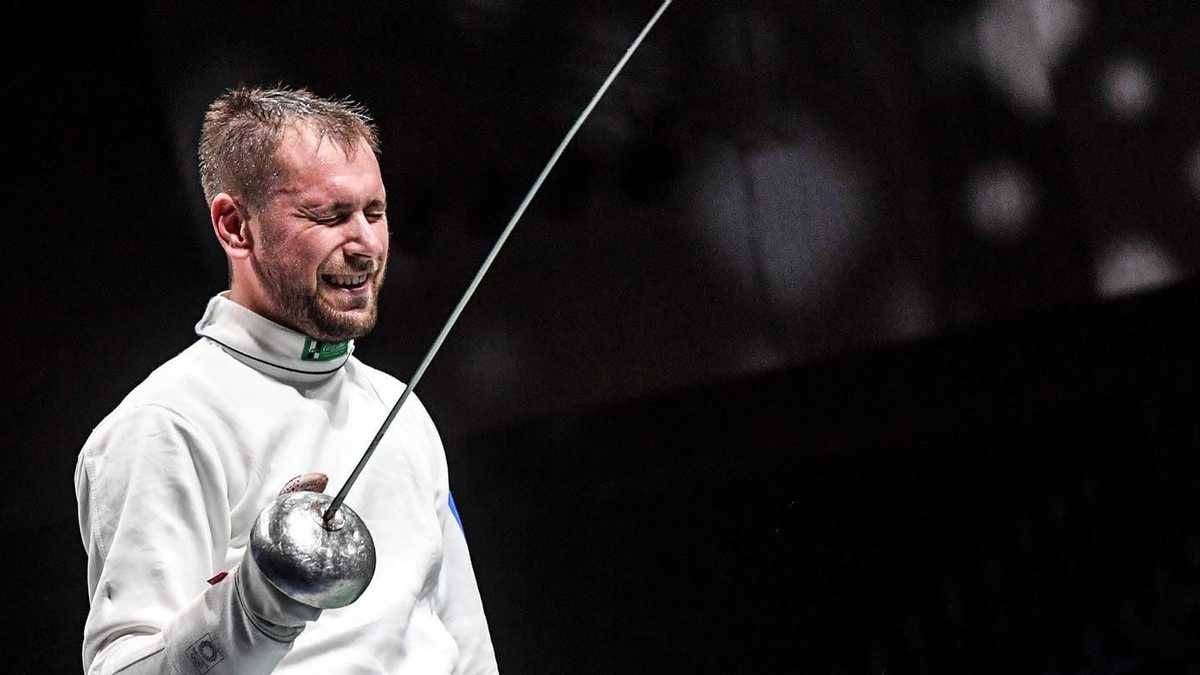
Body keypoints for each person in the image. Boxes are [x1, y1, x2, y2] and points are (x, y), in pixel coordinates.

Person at [74, 85, 498, 674]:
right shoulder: (165, 424)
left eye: (374, 213)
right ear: (235, 226)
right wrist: (256, 605)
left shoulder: (397, 406)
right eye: (329, 216)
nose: (367, 245)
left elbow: (466, 642)